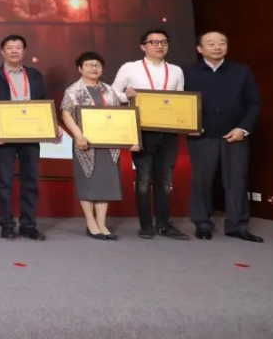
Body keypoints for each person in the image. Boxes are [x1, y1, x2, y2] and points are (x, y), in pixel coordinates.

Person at [183, 31, 263, 242]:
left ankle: (237, 226)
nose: (217, 47)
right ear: (200, 49)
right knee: (201, 182)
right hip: (201, 136)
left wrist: (242, 129)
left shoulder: (241, 71)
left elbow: (254, 104)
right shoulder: (187, 72)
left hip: (234, 135)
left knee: (237, 181)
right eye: (211, 43)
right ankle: (202, 224)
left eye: (222, 43)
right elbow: (177, 103)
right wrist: (188, 126)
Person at [111, 28, 188, 240]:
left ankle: (164, 224)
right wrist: (126, 95)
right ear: (143, 46)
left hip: (168, 131)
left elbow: (182, 99)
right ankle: (146, 225)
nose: (159, 46)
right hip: (141, 130)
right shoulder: (130, 68)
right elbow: (113, 93)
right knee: (144, 179)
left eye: (164, 42)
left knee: (165, 179)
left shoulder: (176, 71)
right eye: (154, 42)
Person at [0, 34, 58, 241]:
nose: (14, 51)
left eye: (18, 47)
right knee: (4, 181)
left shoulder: (34, 75)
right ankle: (7, 224)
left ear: (24, 51)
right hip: (4, 136)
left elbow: (43, 103)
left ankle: (28, 224)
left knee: (31, 180)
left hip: (30, 135)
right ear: (3, 52)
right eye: (10, 47)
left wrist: (52, 126)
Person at [60, 51, 138, 241]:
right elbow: (66, 113)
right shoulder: (73, 90)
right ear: (80, 69)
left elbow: (120, 116)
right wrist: (78, 135)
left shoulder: (109, 90)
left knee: (105, 183)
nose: (93, 68)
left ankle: (102, 223)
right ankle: (91, 223)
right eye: (89, 65)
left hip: (108, 144)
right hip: (85, 144)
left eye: (97, 65)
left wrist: (130, 138)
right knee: (88, 182)